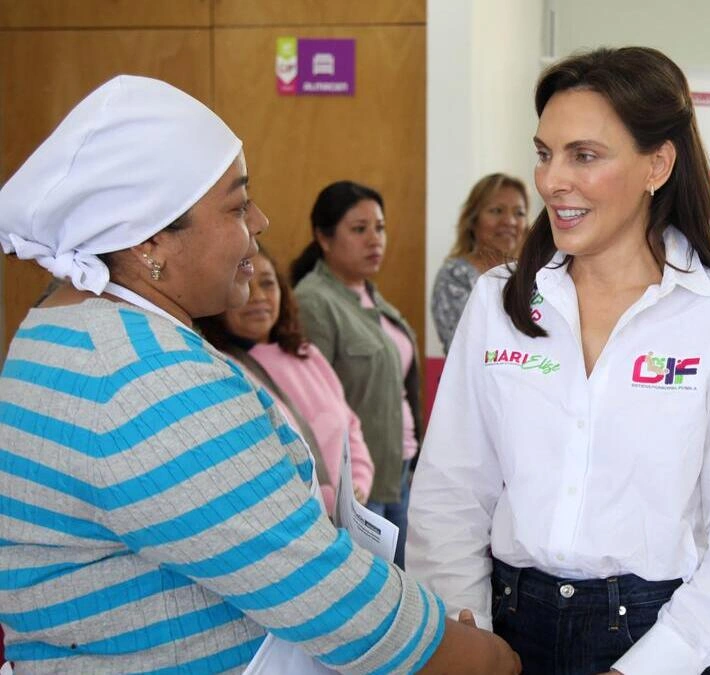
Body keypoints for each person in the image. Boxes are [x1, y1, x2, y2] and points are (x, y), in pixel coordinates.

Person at [0, 75, 519, 674]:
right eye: (237, 204)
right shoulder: (145, 380)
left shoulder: (62, 327)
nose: (262, 221)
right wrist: (481, 659)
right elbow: (326, 596)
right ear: (150, 242)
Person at [407, 46, 710, 675]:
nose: (553, 180)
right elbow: (451, 489)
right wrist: (464, 629)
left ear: (657, 165)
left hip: (658, 634)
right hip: (504, 625)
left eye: (584, 155)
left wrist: (651, 665)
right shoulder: (499, 300)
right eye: (544, 152)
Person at [292, 181, 422, 568]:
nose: (374, 239)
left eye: (379, 228)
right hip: (360, 481)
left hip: (398, 466)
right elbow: (313, 403)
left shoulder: (370, 294)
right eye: (359, 229)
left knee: (408, 584)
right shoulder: (314, 300)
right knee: (378, 594)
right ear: (324, 238)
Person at [196, 245, 374, 515]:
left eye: (267, 283)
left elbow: (350, 424)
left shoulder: (307, 354)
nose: (257, 297)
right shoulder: (220, 369)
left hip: (352, 514)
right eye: (243, 283)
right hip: (298, 523)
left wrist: (359, 481)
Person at [432, 173, 529, 352]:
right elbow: (468, 348)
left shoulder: (536, 276)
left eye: (519, 213)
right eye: (497, 211)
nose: (510, 221)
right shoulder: (455, 276)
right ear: (473, 220)